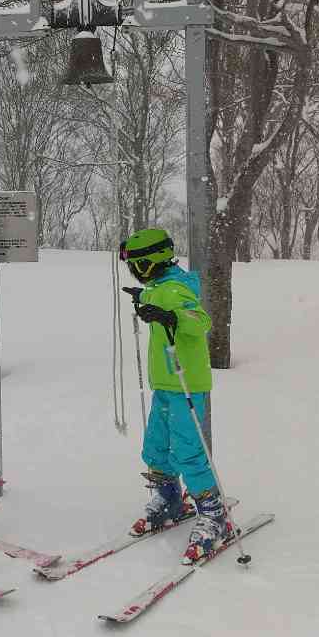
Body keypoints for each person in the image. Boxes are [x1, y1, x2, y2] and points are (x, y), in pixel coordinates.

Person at [120, 227, 230, 563]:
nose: (133, 271)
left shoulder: (179, 289)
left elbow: (200, 321)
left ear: (149, 263)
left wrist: (172, 316)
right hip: (166, 385)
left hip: (187, 385)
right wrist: (144, 300)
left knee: (188, 451)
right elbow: (157, 302)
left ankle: (213, 515)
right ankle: (170, 498)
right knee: (155, 446)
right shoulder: (159, 287)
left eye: (136, 264)